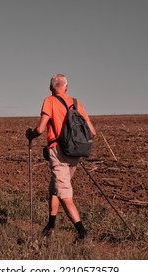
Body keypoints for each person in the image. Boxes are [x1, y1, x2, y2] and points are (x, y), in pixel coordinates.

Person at [26, 74, 96, 240]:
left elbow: (41, 129)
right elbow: (92, 132)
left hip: (58, 151)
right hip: (76, 152)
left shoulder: (49, 101)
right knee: (54, 188)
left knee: (64, 193)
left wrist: (30, 135)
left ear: (51, 88)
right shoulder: (77, 103)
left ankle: (82, 232)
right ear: (66, 87)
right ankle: (50, 224)